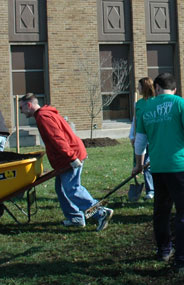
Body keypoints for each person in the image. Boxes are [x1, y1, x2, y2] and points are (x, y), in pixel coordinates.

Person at [132, 73, 184, 273]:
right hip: (179, 168)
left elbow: (140, 142)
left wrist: (138, 165)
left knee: (162, 211)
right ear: (174, 89)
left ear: (157, 87)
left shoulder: (146, 107)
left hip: (157, 169)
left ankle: (163, 250)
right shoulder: (180, 103)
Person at [18, 93, 113, 231]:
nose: (21, 112)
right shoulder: (45, 114)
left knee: (72, 189)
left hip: (70, 156)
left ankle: (101, 213)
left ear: (29, 105)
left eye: (21, 108)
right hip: (68, 156)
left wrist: (71, 158)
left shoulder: (43, 117)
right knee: (61, 189)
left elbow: (58, 138)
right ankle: (76, 218)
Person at [129, 77, 155, 200]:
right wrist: (132, 135)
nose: (137, 88)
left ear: (144, 87)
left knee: (148, 164)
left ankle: (152, 190)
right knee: (145, 164)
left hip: (154, 138)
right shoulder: (138, 104)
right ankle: (151, 190)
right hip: (141, 137)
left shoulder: (155, 102)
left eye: (139, 86)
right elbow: (135, 121)